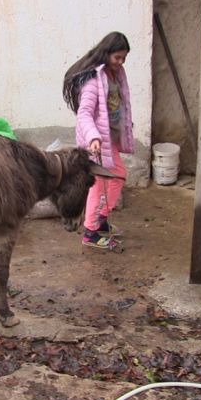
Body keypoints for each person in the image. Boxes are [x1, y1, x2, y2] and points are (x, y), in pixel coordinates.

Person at [62, 31, 133, 250]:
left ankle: (101, 219)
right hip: (95, 141)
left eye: (123, 58)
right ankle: (91, 231)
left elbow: (120, 104)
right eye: (117, 57)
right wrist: (93, 137)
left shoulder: (116, 73)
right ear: (106, 53)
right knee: (97, 185)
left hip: (108, 138)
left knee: (118, 174)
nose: (120, 62)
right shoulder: (93, 79)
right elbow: (84, 114)